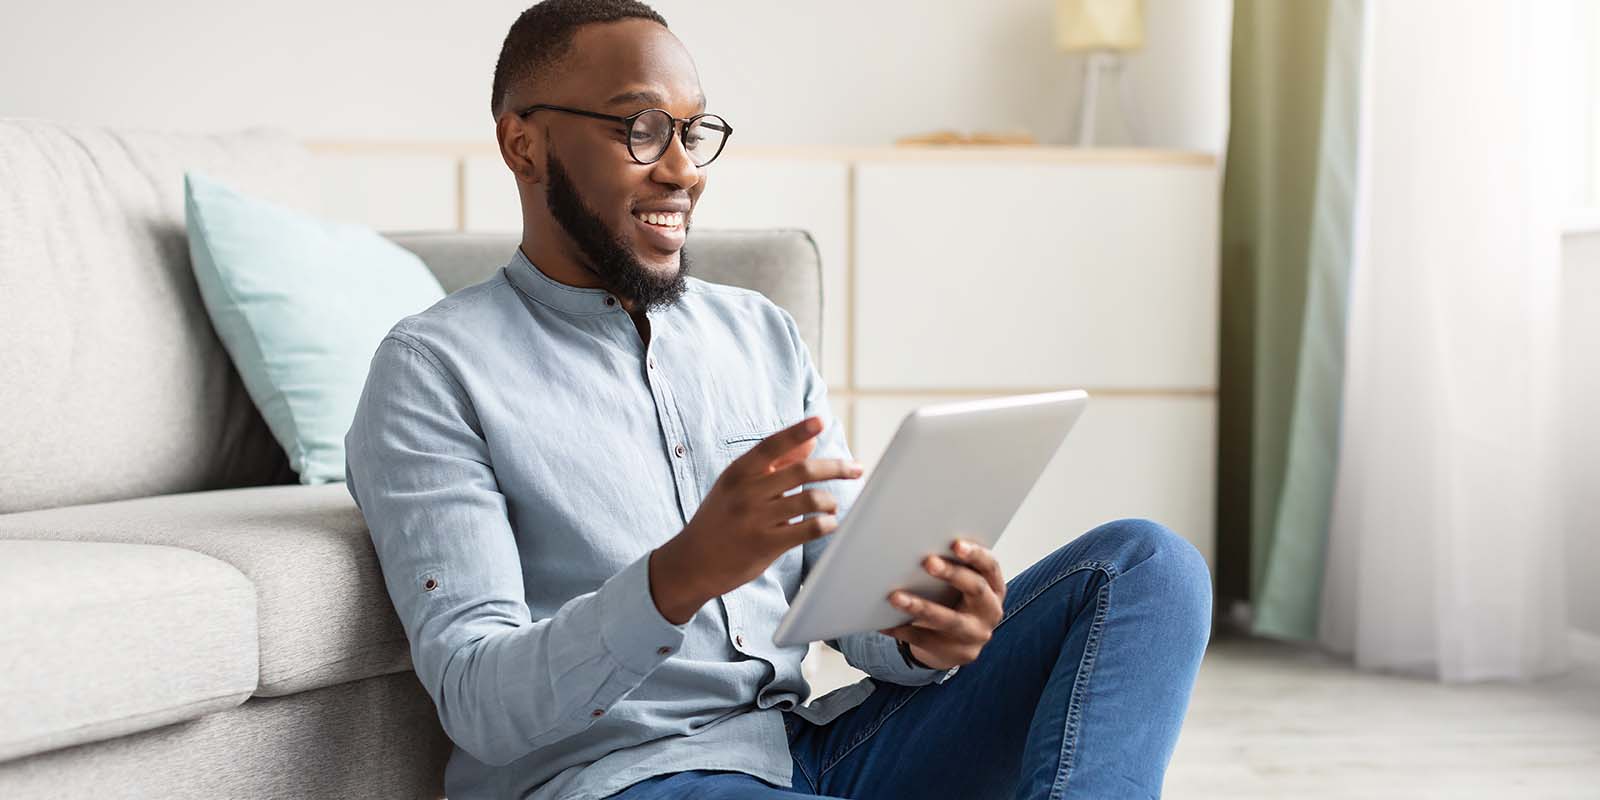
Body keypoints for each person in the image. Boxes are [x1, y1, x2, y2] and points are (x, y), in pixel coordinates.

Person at [343, 1, 1213, 797]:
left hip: (804, 751)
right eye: (642, 129)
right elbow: (477, 700)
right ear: (522, 144)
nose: (683, 170)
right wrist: (680, 575)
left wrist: (920, 630)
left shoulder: (758, 334)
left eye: (695, 131)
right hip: (624, 778)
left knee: (1145, 568)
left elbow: (840, 601)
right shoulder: (433, 370)